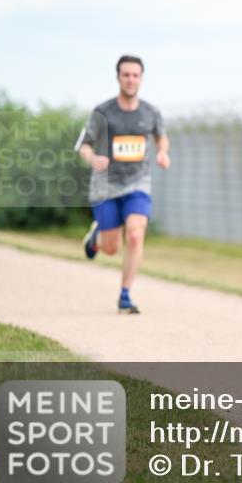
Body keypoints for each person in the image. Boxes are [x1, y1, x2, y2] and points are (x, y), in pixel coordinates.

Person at [76, 54, 170, 314]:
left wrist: (162, 152)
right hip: (106, 185)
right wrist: (93, 158)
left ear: (141, 78)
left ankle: (125, 296)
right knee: (111, 247)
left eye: (135, 75)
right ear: (118, 77)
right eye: (126, 75)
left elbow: (161, 138)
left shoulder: (150, 112)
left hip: (138, 181)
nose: (131, 80)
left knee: (136, 233)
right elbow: (83, 145)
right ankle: (97, 238)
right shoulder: (103, 112)